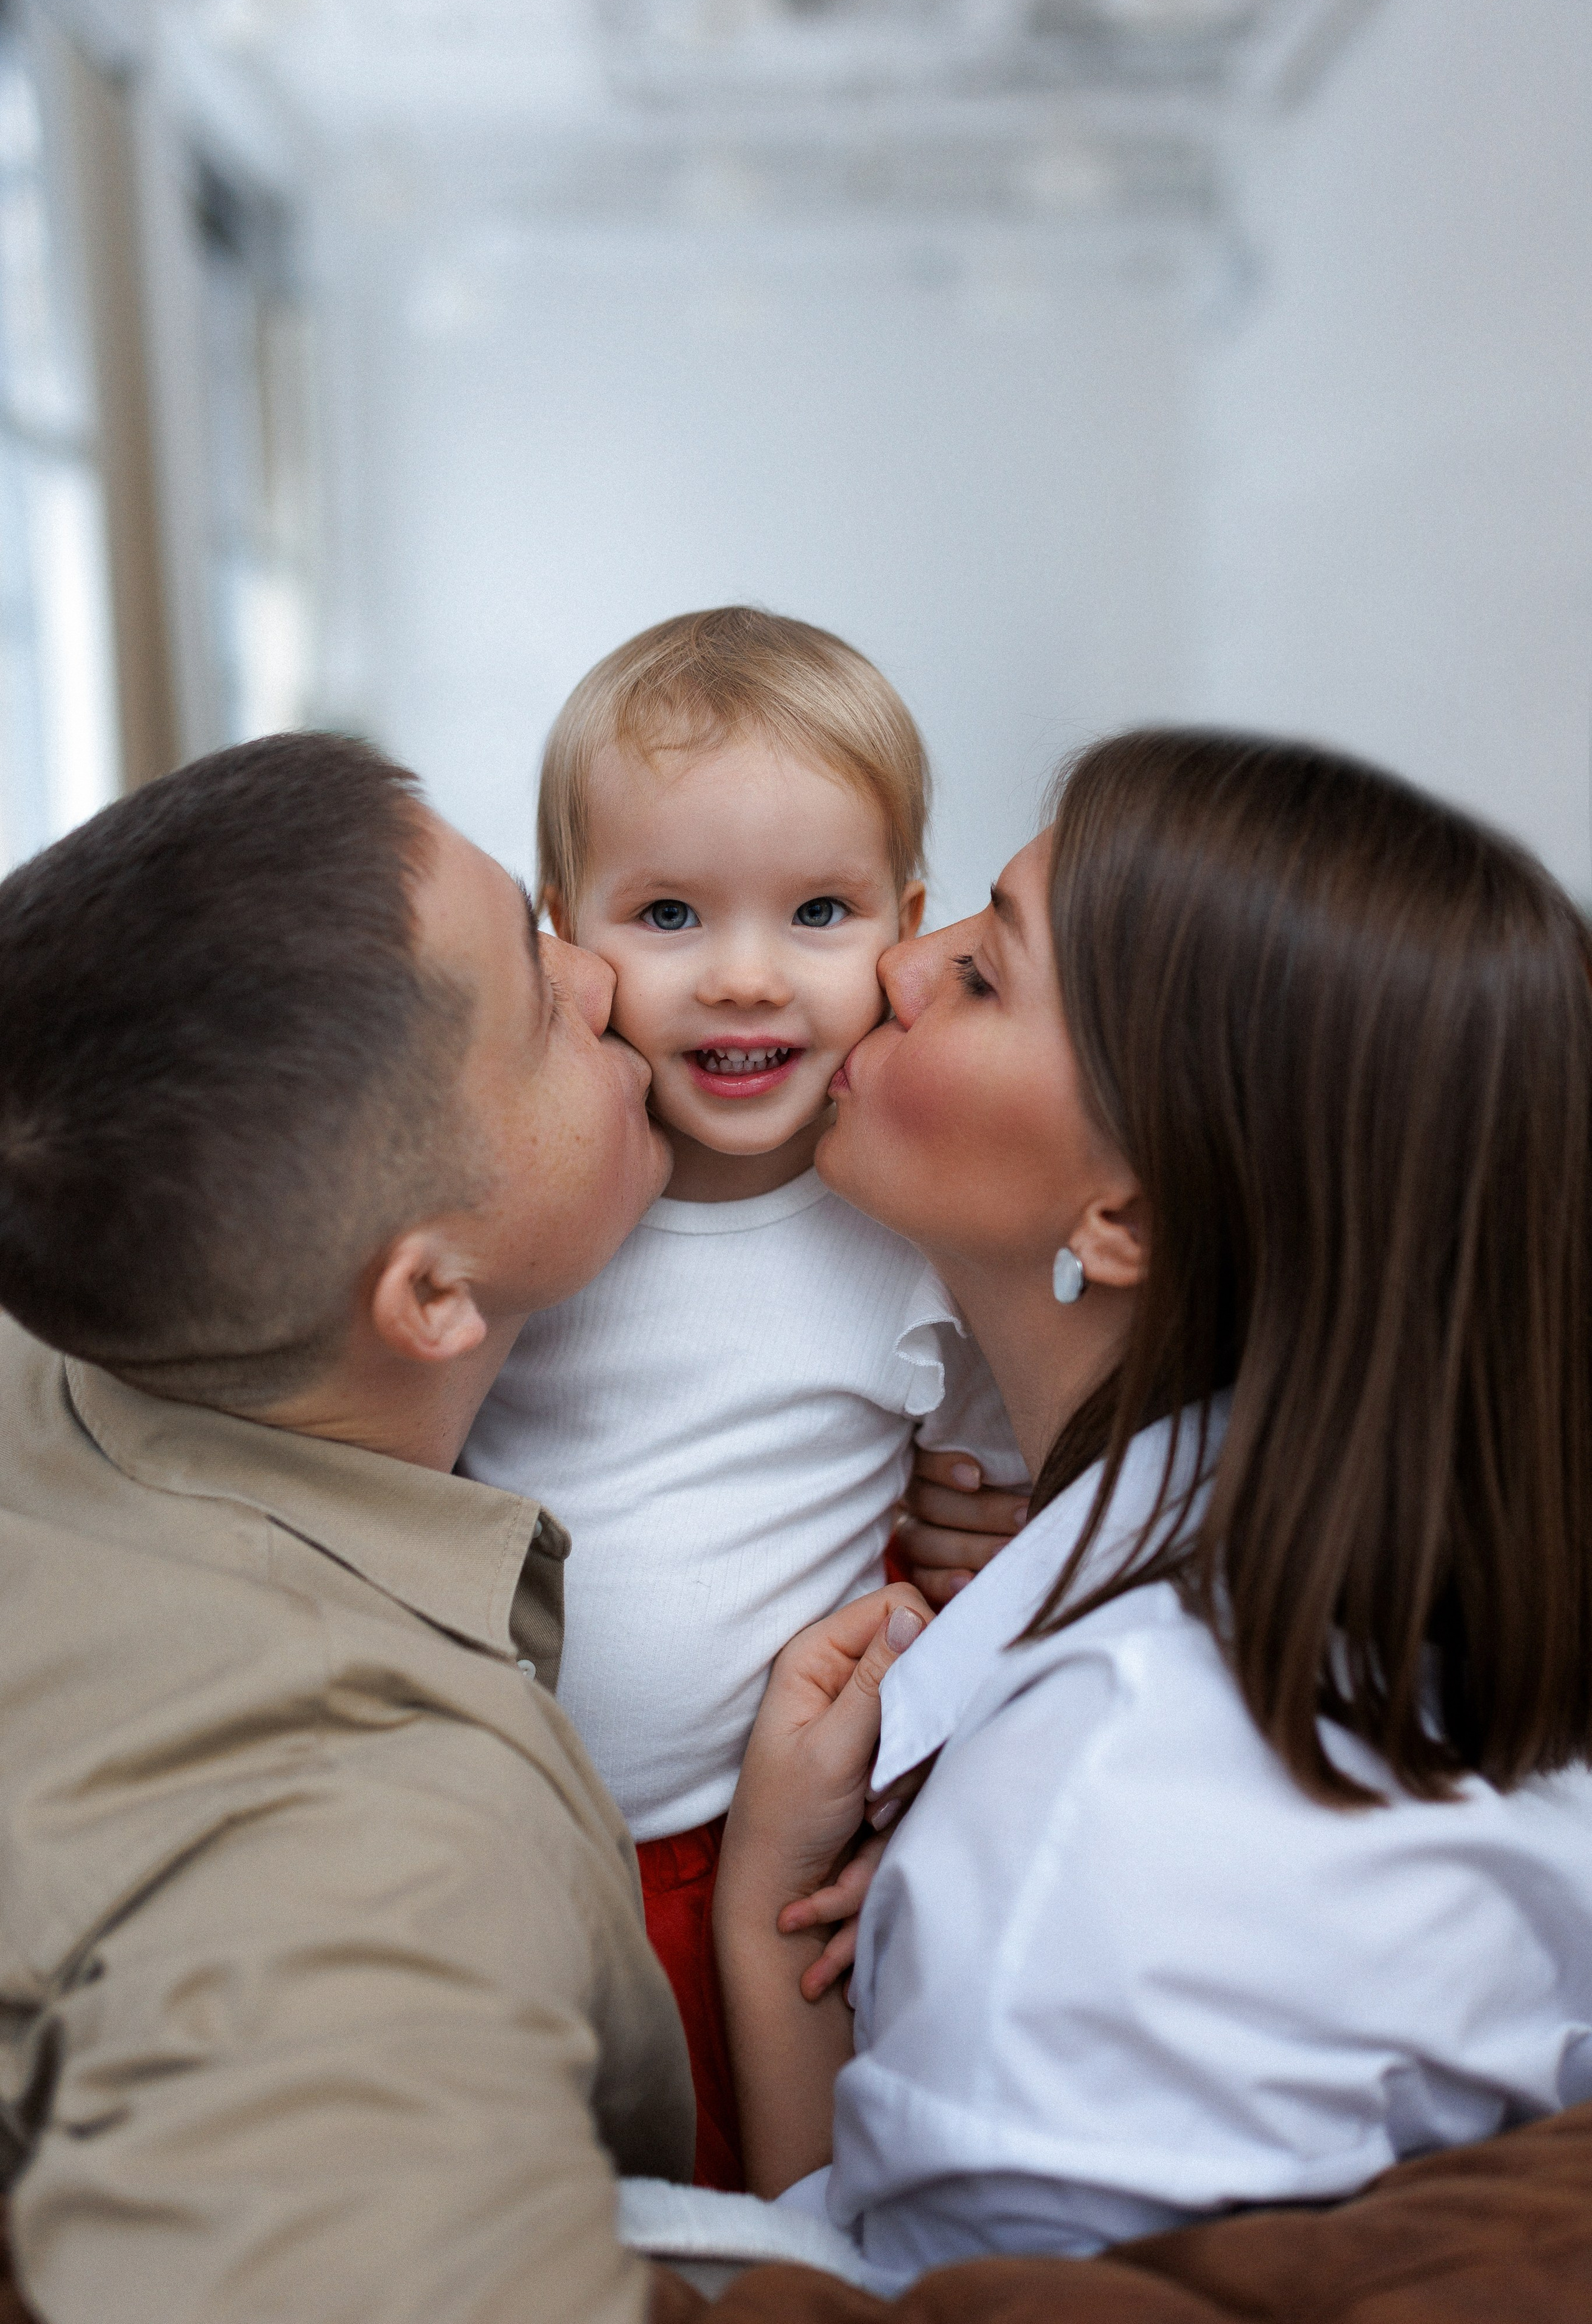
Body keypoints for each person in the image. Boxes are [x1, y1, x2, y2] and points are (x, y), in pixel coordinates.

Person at [714, 728, 1592, 2288]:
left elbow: (940, 2304)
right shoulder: (1307, 1573)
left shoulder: (1112, 1801)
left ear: (1117, 1215)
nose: (894, 969)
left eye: (982, 973)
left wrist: (758, 1914)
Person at [0, 734, 701, 2324]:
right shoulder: (365, 1832)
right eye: (541, 1004)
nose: (602, 976)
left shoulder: (80, 1261)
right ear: (431, 1292)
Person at [463, 608, 1025, 2191]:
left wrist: (973, 1556)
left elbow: (1002, 1506)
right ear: (563, 934)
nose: (744, 978)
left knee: (721, 2199)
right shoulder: (540, 1194)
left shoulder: (902, 1231)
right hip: (488, 1823)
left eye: (818, 912)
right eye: (667, 914)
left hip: (742, 1850)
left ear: (904, 929)